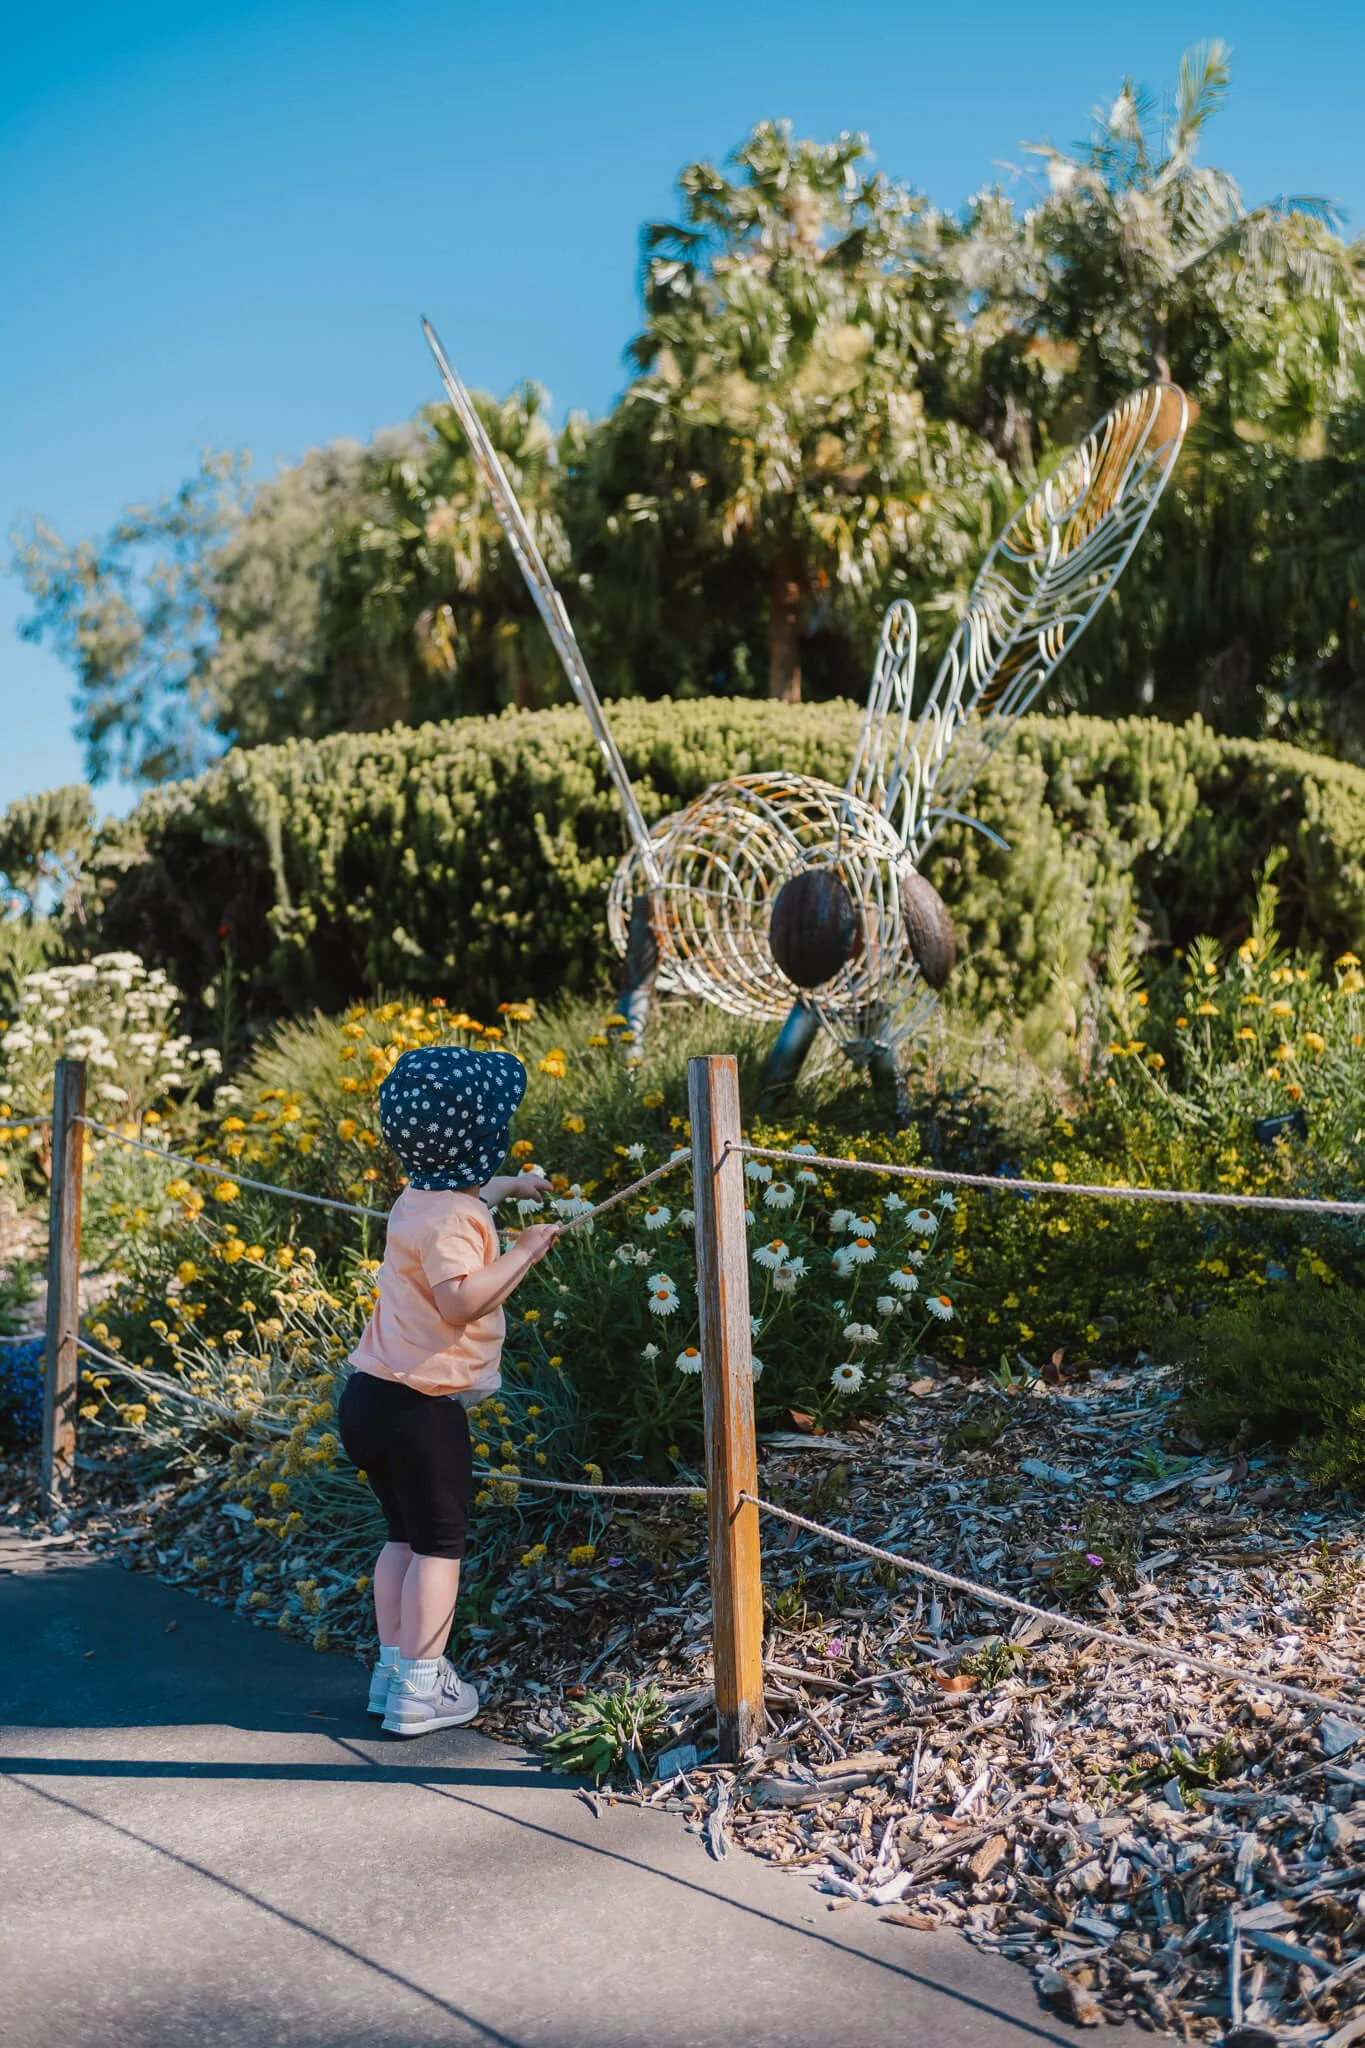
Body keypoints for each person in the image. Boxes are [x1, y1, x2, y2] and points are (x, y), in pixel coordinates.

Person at [337, 1043, 557, 1736]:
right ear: (482, 1139)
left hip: (370, 1400)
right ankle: (422, 1688)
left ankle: (392, 1671)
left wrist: (511, 1187)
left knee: (401, 1538)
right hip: (422, 1412)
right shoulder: (456, 1221)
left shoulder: (420, 1199)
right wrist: (523, 1252)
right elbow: (460, 1300)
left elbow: (466, 1198)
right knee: (439, 1547)